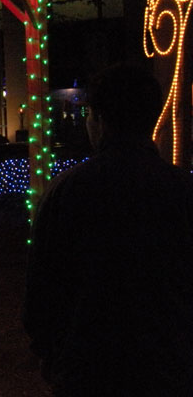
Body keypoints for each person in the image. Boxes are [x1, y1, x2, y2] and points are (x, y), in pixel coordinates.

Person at [24, 64, 193, 396]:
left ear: (99, 120)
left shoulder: (67, 191)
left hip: (87, 369)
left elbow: (40, 293)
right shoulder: (181, 191)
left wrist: (53, 356)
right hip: (168, 370)